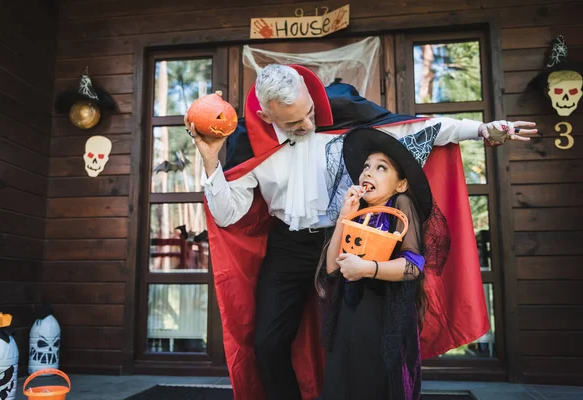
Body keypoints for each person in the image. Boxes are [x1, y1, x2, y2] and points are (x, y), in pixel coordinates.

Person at [185, 64, 537, 400]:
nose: (309, 123)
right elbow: (228, 214)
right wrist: (211, 159)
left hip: (354, 238)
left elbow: (416, 127)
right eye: (295, 121)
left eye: (310, 111)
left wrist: (482, 129)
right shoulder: (248, 142)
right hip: (288, 245)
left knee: (356, 338)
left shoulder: (342, 111)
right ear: (267, 116)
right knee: (268, 342)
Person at [316, 123, 443, 400]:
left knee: (376, 387)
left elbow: (413, 266)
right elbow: (331, 267)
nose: (368, 172)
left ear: (401, 183)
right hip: (351, 318)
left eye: (381, 167)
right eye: (366, 166)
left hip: (384, 320)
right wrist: (344, 218)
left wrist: (367, 269)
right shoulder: (358, 211)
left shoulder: (400, 205)